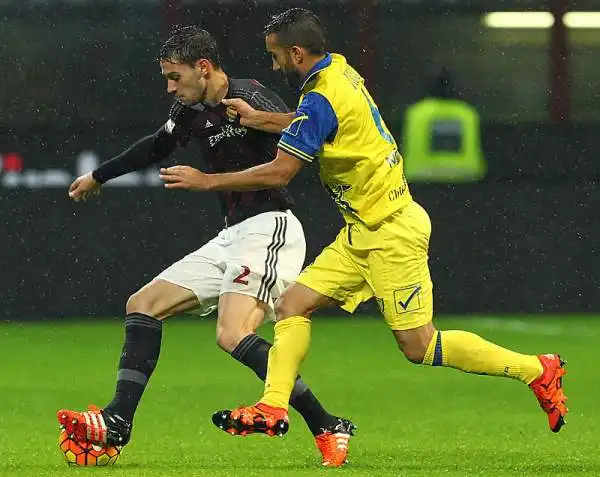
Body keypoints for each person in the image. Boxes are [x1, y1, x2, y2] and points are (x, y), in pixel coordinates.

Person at [158, 9, 568, 443]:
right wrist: (262, 119)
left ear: (296, 52)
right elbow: (325, 125)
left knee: (420, 347)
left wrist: (207, 181)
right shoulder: (337, 69)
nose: (273, 65)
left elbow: (280, 171)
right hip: (361, 232)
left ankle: (537, 370)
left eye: (276, 56)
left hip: (392, 231)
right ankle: (273, 406)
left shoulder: (319, 98)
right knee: (291, 305)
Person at [57, 25, 355, 468]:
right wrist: (99, 175)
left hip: (271, 227)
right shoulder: (190, 112)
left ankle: (326, 424)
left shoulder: (249, 94)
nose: (170, 87)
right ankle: (119, 419)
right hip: (232, 234)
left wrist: (249, 130)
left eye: (175, 77)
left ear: (203, 67)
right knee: (142, 303)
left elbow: (307, 125)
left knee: (231, 334)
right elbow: (154, 147)